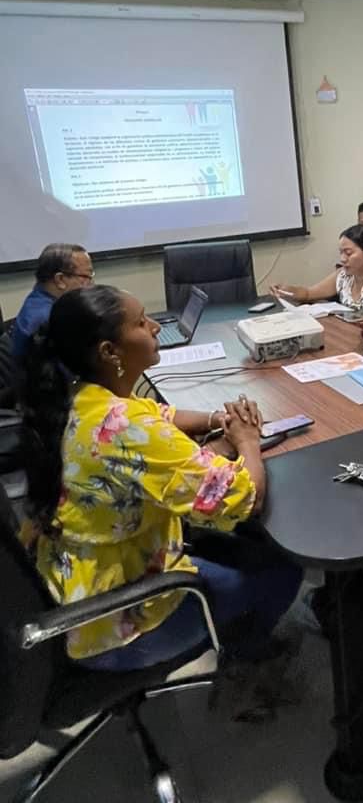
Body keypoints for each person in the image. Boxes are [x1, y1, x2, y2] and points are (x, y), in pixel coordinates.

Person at [20, 285, 301, 673]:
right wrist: (248, 440)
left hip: (77, 577)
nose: (154, 326)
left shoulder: (80, 395)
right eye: (140, 323)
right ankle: (244, 653)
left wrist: (218, 420)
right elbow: (245, 499)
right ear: (109, 351)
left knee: (245, 546)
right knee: (284, 568)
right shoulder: (125, 427)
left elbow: (156, 414)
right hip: (114, 617)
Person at [270, 223, 363, 314]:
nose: (342, 259)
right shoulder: (343, 275)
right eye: (341, 253)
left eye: (348, 253)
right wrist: (285, 290)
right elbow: (308, 293)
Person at [12, 243, 94, 359]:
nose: (91, 285)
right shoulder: (51, 320)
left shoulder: (37, 299)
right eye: (87, 277)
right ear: (60, 280)